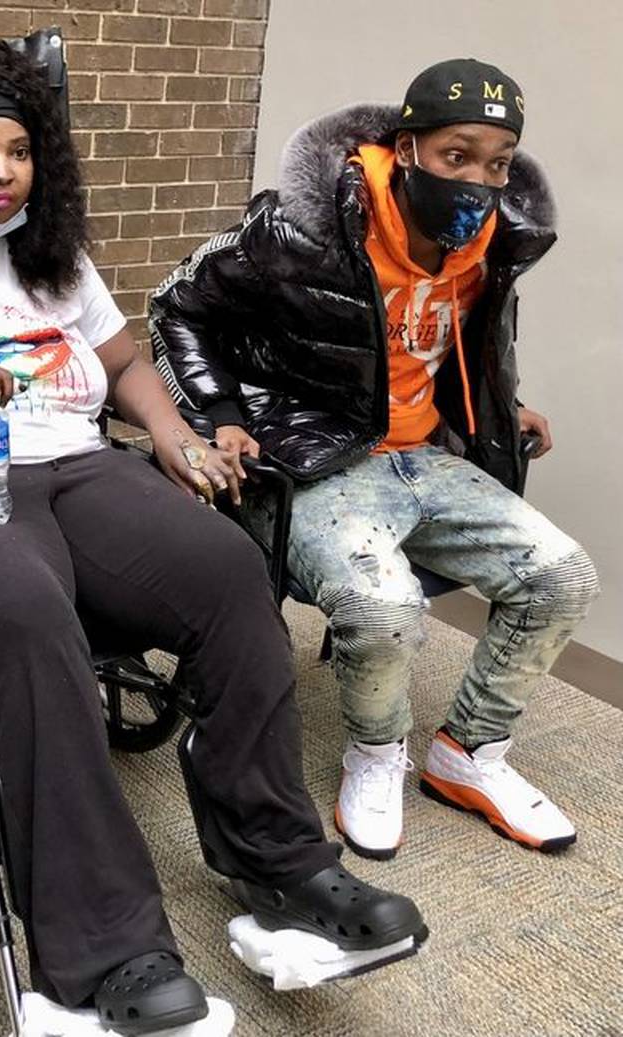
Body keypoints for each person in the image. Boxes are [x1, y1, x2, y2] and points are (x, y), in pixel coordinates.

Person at [0, 41, 427, 1035]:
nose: (1, 170)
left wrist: (173, 432)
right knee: (29, 616)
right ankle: (103, 947)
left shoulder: (57, 257)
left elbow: (125, 361)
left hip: (83, 465)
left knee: (229, 572)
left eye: (18, 149)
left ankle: (281, 861)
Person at [151, 59, 599, 862]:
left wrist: (500, 406)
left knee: (563, 576)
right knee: (384, 606)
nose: (476, 179)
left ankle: (469, 754)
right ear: (408, 144)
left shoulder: (492, 240)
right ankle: (376, 753)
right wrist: (219, 416)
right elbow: (178, 303)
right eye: (456, 155)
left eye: (497, 164)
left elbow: (460, 340)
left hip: (426, 452)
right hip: (315, 458)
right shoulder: (302, 224)